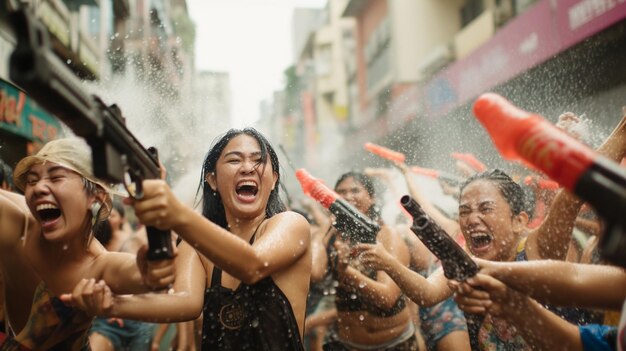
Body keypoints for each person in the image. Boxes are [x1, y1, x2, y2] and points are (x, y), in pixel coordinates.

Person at [62, 128, 312, 350]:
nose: (247, 167)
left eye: (258, 161)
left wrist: (176, 213)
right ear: (212, 179)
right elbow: (183, 303)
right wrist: (110, 306)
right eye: (234, 160)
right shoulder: (197, 246)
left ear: (274, 179)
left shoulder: (291, 224)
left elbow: (254, 264)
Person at [0, 137, 174, 350]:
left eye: (56, 178)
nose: (39, 188)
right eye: (32, 180)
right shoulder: (18, 225)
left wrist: (157, 251)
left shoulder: (99, 266)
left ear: (96, 197)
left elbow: (154, 277)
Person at [310, 171, 419, 351]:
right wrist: (326, 223)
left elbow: (387, 298)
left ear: (372, 198)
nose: (347, 197)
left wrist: (346, 273)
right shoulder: (332, 236)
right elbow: (315, 273)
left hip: (394, 344)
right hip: (347, 344)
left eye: (355, 191)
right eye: (340, 192)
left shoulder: (386, 235)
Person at [89, 201, 155, 351]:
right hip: (105, 314)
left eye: (113, 215)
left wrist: (120, 307)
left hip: (133, 314)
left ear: (122, 219)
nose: (109, 218)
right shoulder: (98, 240)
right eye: (106, 215)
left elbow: (135, 275)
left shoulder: (129, 241)